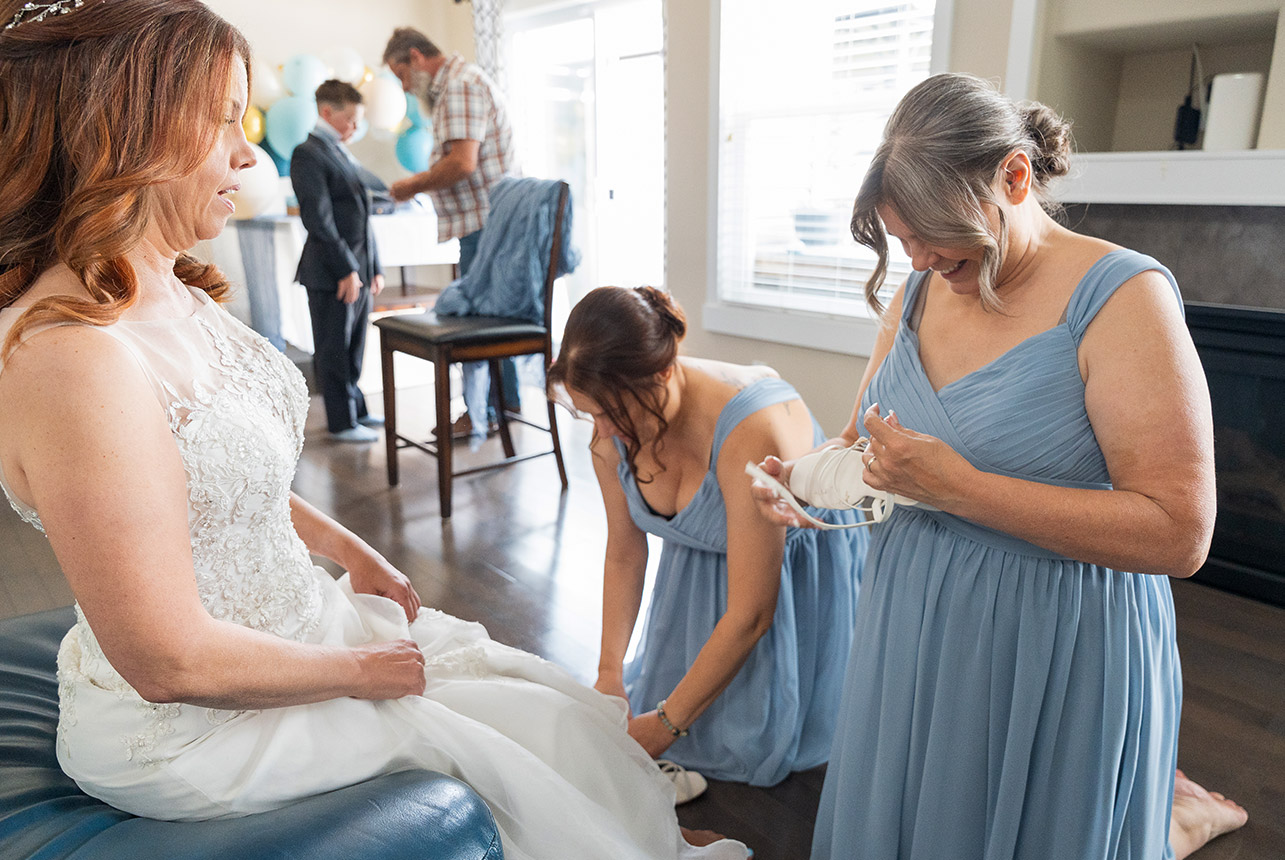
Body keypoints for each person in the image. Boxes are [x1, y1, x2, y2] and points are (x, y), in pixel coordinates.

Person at [0, 3, 747, 858]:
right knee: (503, 743)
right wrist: (360, 672)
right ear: (125, 136)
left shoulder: (171, 284)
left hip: (292, 623)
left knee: (540, 696)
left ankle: (634, 810)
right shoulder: (70, 361)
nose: (245, 154)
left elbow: (223, 482)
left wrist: (351, 551)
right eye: (217, 125)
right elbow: (167, 660)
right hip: (194, 724)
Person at [750, 73, 1249, 859]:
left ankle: (1172, 818)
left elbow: (1179, 535)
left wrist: (963, 490)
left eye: (930, 234)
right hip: (911, 613)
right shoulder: (918, 288)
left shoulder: (1122, 299)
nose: (914, 258)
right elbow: (861, 441)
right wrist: (801, 475)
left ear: (1015, 177)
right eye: (900, 237)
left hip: (1052, 632)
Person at [548, 286, 867, 789]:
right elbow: (625, 555)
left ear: (663, 372)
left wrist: (668, 725)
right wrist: (609, 670)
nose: (603, 431)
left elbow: (753, 612)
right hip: (702, 569)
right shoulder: (612, 430)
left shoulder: (748, 431)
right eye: (592, 414)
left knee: (744, 741)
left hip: (783, 575)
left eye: (615, 412)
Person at [383, 26, 519, 436]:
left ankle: (484, 413)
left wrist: (412, 185)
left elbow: (462, 162)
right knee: (491, 320)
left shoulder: (459, 85)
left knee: (478, 325)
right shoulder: (464, 82)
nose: (406, 88)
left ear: (416, 57)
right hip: (487, 224)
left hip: (485, 225)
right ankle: (499, 407)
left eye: (402, 75)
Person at [291, 79, 385, 443]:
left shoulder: (342, 151)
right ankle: (341, 422)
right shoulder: (308, 153)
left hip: (358, 269)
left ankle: (356, 409)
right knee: (333, 346)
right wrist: (346, 268)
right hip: (331, 270)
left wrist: (373, 266)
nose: (356, 128)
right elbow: (318, 218)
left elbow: (363, 214)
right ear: (328, 112)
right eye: (350, 119)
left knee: (355, 344)